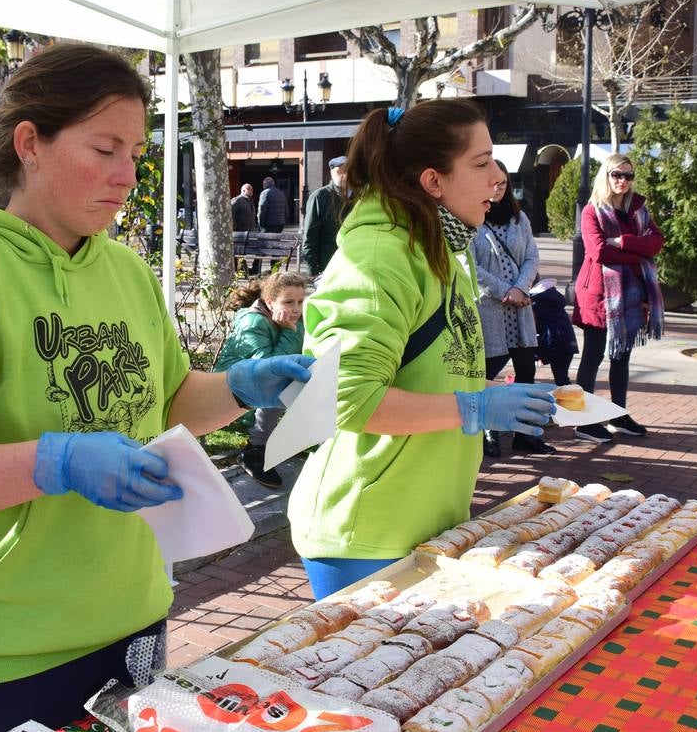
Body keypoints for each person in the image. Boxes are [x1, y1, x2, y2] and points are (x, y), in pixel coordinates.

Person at [0, 43, 312, 732]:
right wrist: (53, 461)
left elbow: (162, 402)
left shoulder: (124, 269)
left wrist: (243, 385)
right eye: (105, 148)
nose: (127, 175)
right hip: (6, 648)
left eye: (135, 152)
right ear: (30, 143)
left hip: (134, 619)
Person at [287, 100, 556, 601]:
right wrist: (474, 407)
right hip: (365, 532)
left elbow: (427, 364)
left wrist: (485, 392)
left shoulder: (443, 248)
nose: (497, 178)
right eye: (481, 163)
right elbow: (348, 399)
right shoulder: (378, 255)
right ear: (433, 182)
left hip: (427, 519)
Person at [571, 153, 664, 443]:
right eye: (617, 174)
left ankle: (618, 414)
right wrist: (638, 254)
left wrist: (624, 242)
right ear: (606, 176)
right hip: (599, 296)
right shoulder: (591, 211)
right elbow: (598, 252)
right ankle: (584, 421)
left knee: (621, 356)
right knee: (593, 356)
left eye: (628, 175)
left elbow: (656, 243)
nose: (623, 180)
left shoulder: (638, 210)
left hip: (631, 295)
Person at [469, 162, 553, 458]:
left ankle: (525, 433)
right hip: (490, 308)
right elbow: (470, 267)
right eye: (494, 183)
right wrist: (506, 291)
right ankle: (486, 431)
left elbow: (532, 256)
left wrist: (521, 287)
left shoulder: (520, 218)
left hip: (519, 309)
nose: (498, 188)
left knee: (526, 370)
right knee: (489, 370)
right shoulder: (472, 217)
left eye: (503, 184)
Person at [214, 272, 306, 488]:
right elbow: (266, 372)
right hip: (226, 397)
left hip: (252, 394)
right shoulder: (253, 322)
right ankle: (256, 449)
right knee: (281, 381)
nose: (296, 309)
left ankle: (305, 437)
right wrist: (291, 332)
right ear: (271, 301)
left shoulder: (293, 320)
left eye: (301, 302)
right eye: (289, 302)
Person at [301, 155, 347, 276]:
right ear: (332, 173)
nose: (345, 175)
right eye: (340, 171)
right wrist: (313, 271)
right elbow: (309, 237)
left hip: (352, 267)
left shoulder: (359, 197)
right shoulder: (320, 197)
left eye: (349, 170)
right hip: (327, 266)